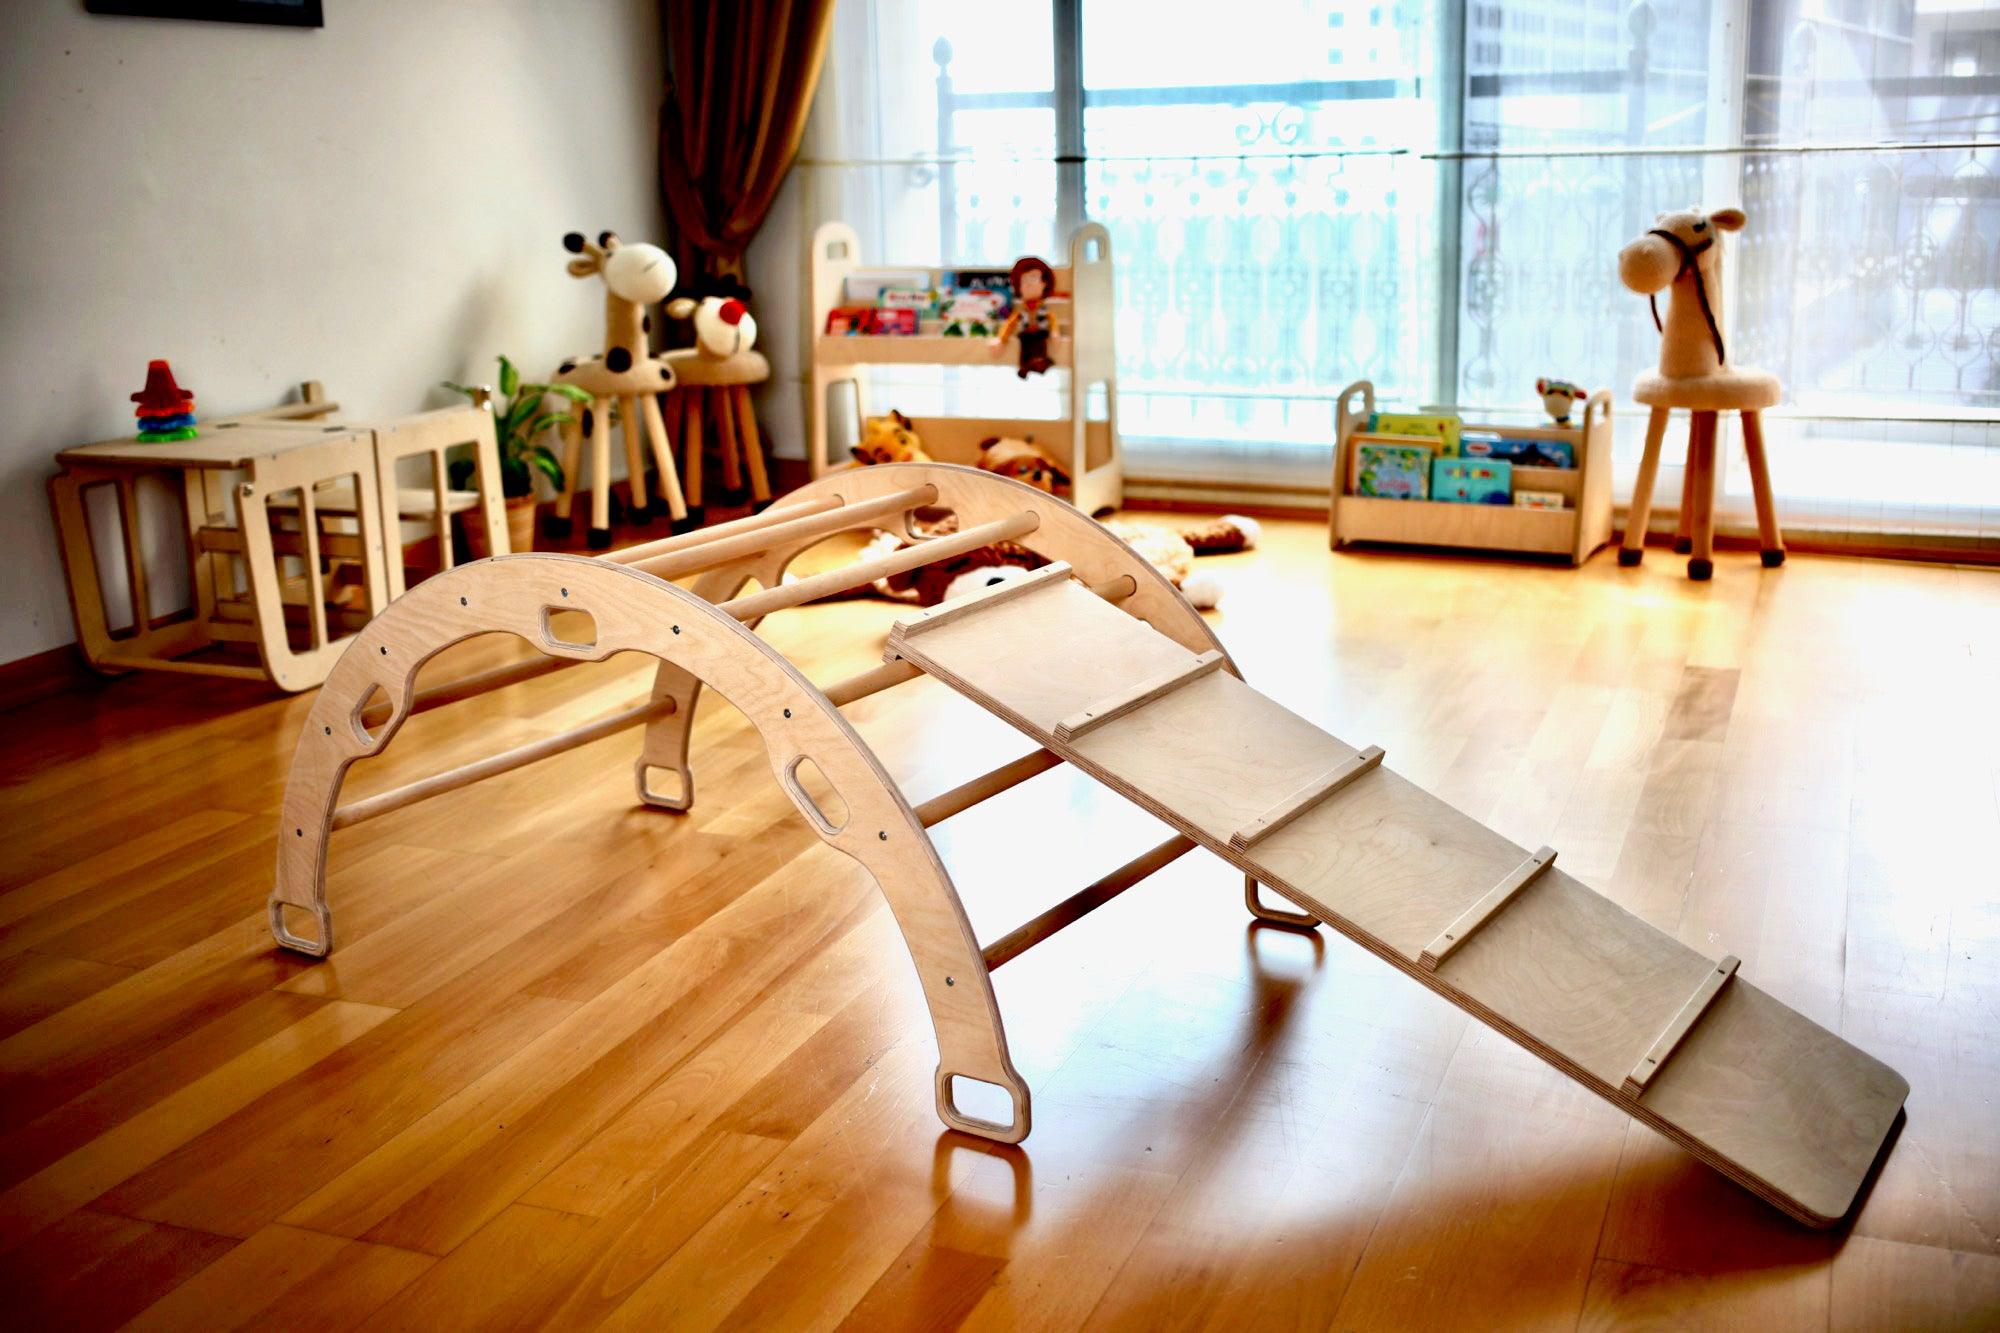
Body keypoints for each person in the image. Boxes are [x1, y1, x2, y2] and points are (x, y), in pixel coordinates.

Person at [992, 255, 1060, 378]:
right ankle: (1025, 365)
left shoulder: (1044, 311)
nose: (1028, 285)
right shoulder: (1020, 313)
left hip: (1040, 335)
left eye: (1033, 279)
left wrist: (1055, 332)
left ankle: (1040, 362)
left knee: (1039, 345)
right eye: (1024, 281)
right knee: (1025, 347)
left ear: (1044, 283)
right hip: (1026, 336)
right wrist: (1001, 339)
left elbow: (1052, 320)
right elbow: (1009, 324)